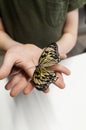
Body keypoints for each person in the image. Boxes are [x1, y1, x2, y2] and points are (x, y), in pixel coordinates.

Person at [0, 0, 86, 97]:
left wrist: (52, 53)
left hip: (54, 61)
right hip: (16, 64)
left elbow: (70, 33)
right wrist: (15, 47)